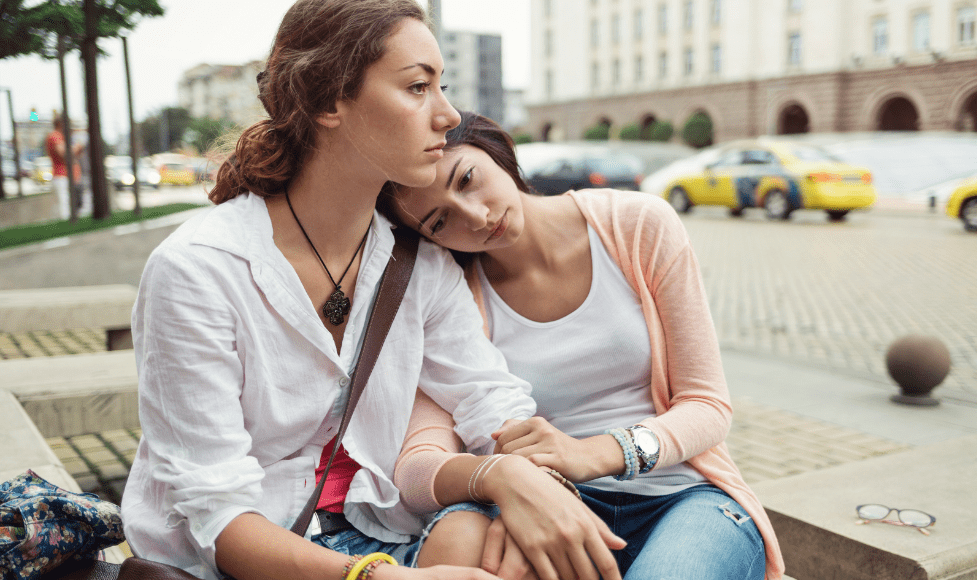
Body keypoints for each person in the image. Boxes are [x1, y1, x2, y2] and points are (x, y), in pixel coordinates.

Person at [121, 3, 621, 580]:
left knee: (497, 547)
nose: (448, 115)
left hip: (374, 529)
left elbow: (491, 401)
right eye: (417, 88)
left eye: (443, 86)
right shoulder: (199, 271)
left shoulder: (418, 265)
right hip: (238, 560)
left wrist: (530, 489)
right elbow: (218, 519)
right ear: (330, 101)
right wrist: (381, 578)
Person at [383, 112, 787, 580]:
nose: (476, 216)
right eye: (440, 221)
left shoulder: (636, 225)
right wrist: (507, 482)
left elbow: (708, 405)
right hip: (548, 500)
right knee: (458, 546)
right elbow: (415, 469)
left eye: (468, 179)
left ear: (495, 149)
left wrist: (594, 453)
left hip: (681, 494)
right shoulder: (449, 297)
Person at [44, 116, 82, 220]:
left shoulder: (64, 137)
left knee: (67, 204)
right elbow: (64, 154)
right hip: (61, 176)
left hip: (70, 176)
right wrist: (76, 147)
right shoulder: (54, 136)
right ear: (61, 124)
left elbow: (74, 156)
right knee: (64, 206)